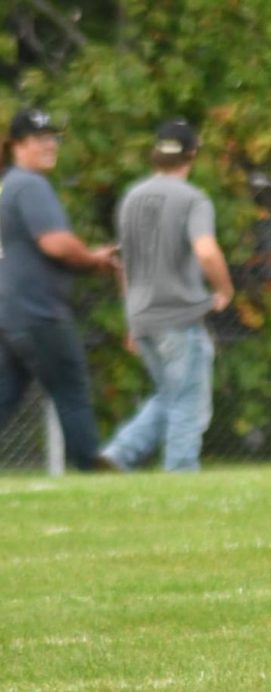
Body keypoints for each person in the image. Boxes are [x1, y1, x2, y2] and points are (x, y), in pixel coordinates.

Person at [100, 120, 233, 472]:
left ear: (155, 154)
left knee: (169, 395)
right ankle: (180, 474)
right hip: (179, 315)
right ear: (192, 155)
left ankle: (117, 455)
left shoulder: (131, 197)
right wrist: (223, 289)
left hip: (141, 315)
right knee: (188, 402)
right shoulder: (193, 199)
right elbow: (206, 251)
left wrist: (130, 317)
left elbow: (123, 262)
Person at [0, 108, 119, 471]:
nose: (50, 145)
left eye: (53, 138)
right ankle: (92, 472)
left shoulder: (8, 184)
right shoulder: (30, 184)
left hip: (10, 313)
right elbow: (55, 243)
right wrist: (93, 260)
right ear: (18, 145)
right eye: (40, 139)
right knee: (72, 393)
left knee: (4, 396)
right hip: (39, 312)